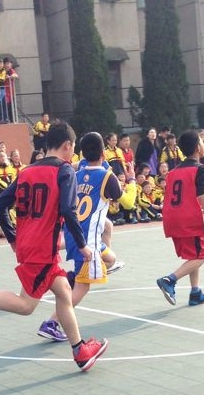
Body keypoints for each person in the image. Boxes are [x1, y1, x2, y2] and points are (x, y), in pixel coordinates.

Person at [0, 121, 110, 372]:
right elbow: (68, 210)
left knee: (64, 291)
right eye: (73, 148)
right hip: (42, 248)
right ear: (67, 145)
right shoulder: (64, 171)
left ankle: (80, 351)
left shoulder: (27, 171)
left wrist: (12, 238)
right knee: (26, 305)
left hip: (32, 244)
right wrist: (83, 246)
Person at [36, 131, 133, 342]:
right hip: (88, 242)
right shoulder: (107, 177)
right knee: (83, 287)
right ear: (104, 152)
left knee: (111, 258)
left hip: (75, 234)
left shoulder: (77, 174)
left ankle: (74, 276)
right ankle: (51, 322)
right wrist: (132, 181)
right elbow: (128, 203)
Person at [155, 129, 204, 307]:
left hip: (171, 218)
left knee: (193, 255)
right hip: (188, 218)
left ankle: (195, 292)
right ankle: (169, 280)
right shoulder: (200, 168)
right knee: (200, 257)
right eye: (202, 142)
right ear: (198, 147)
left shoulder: (173, 172)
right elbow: (201, 196)